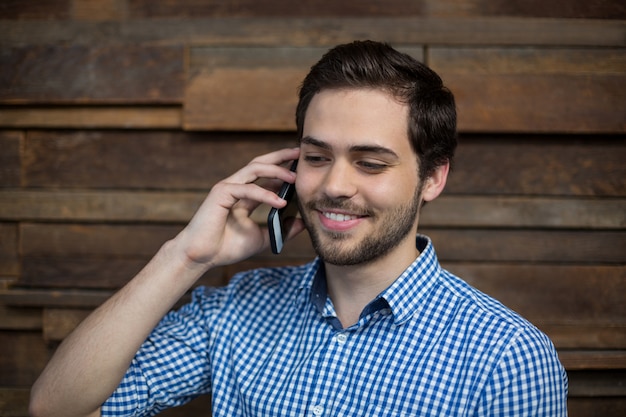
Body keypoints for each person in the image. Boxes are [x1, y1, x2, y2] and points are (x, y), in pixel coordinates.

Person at [30, 40, 568, 417]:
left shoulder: (507, 357)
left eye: (371, 163)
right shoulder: (236, 310)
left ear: (432, 177)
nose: (334, 185)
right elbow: (58, 408)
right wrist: (186, 258)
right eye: (316, 156)